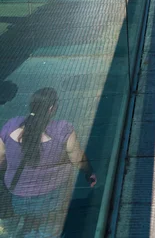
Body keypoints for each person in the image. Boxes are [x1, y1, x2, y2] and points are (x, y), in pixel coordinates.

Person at [0, 88, 96, 237]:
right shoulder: (62, 129)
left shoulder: (10, 126)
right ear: (52, 108)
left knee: (29, 226)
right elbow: (78, 159)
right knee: (49, 231)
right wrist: (89, 173)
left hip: (18, 198)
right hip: (53, 198)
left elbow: (0, 158)